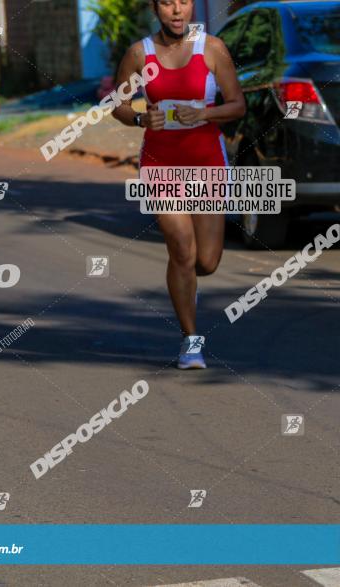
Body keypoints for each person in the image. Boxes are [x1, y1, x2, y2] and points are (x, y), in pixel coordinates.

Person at [111, 0, 244, 369]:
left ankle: (186, 282)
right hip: (161, 163)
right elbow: (117, 104)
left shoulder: (212, 49)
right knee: (182, 251)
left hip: (206, 162)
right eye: (168, 2)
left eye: (183, 2)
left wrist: (205, 112)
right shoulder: (140, 53)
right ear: (156, 8)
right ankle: (191, 341)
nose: (176, 10)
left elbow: (237, 105)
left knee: (207, 260)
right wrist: (140, 120)